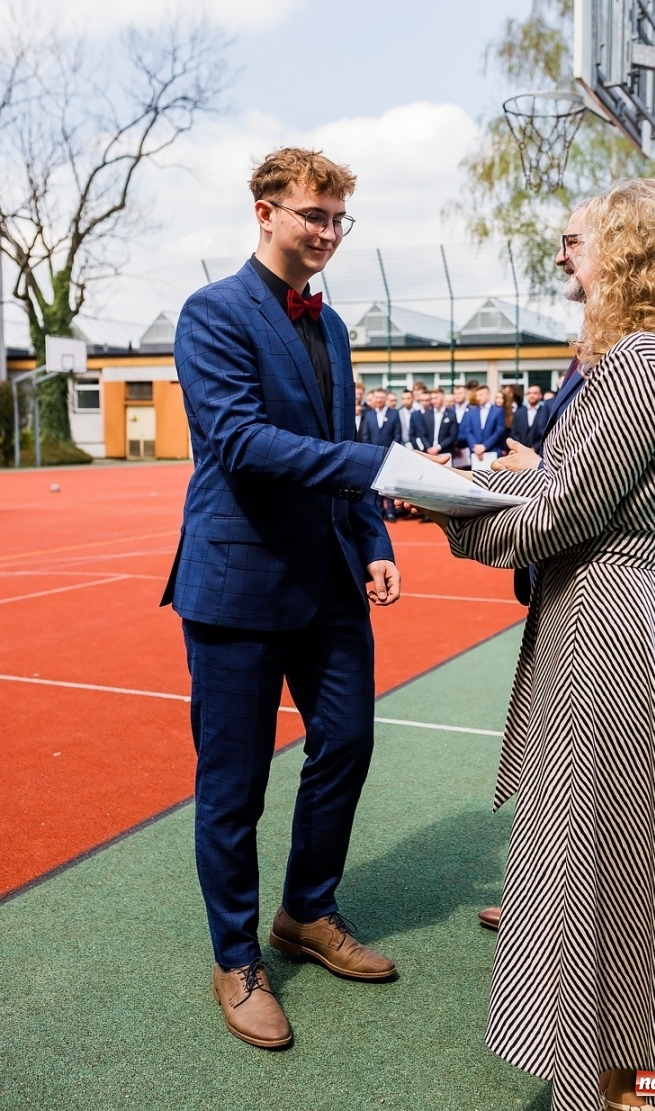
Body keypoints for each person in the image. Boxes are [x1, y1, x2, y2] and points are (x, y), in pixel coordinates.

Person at [431, 180, 655, 1111]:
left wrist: (450, 510)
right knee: (624, 866)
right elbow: (565, 488)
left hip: (611, 635)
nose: (564, 254)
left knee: (608, 867)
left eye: (580, 240)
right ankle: (637, 1080)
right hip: (618, 620)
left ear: (629, 248)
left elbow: (559, 511)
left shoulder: (642, 364)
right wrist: (487, 483)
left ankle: (628, 1086)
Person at [161, 146, 402, 1051]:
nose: (328, 233)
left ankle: (307, 911)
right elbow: (241, 443)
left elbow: (344, 437)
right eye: (313, 215)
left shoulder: (333, 328)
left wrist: (373, 536)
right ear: (264, 211)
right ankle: (236, 957)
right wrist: (380, 468)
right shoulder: (212, 313)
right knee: (233, 786)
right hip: (237, 583)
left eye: (340, 219)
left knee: (347, 741)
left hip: (330, 578)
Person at [360, 387, 402, 520]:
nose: (379, 400)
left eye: (381, 397)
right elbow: (365, 435)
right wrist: (371, 452)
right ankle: (379, 510)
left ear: (385, 399)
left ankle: (390, 511)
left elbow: (397, 434)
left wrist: (391, 451)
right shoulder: (368, 415)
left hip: (390, 454)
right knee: (375, 484)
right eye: (377, 397)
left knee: (388, 484)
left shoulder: (394, 414)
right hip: (373, 455)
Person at [463, 385, 506, 465]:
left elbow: (499, 430)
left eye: (481, 395)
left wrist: (485, 446)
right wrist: (474, 447)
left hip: (493, 451)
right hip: (476, 453)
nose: (478, 398)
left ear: (488, 395)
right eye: (477, 395)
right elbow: (468, 431)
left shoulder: (498, 411)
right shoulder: (471, 412)